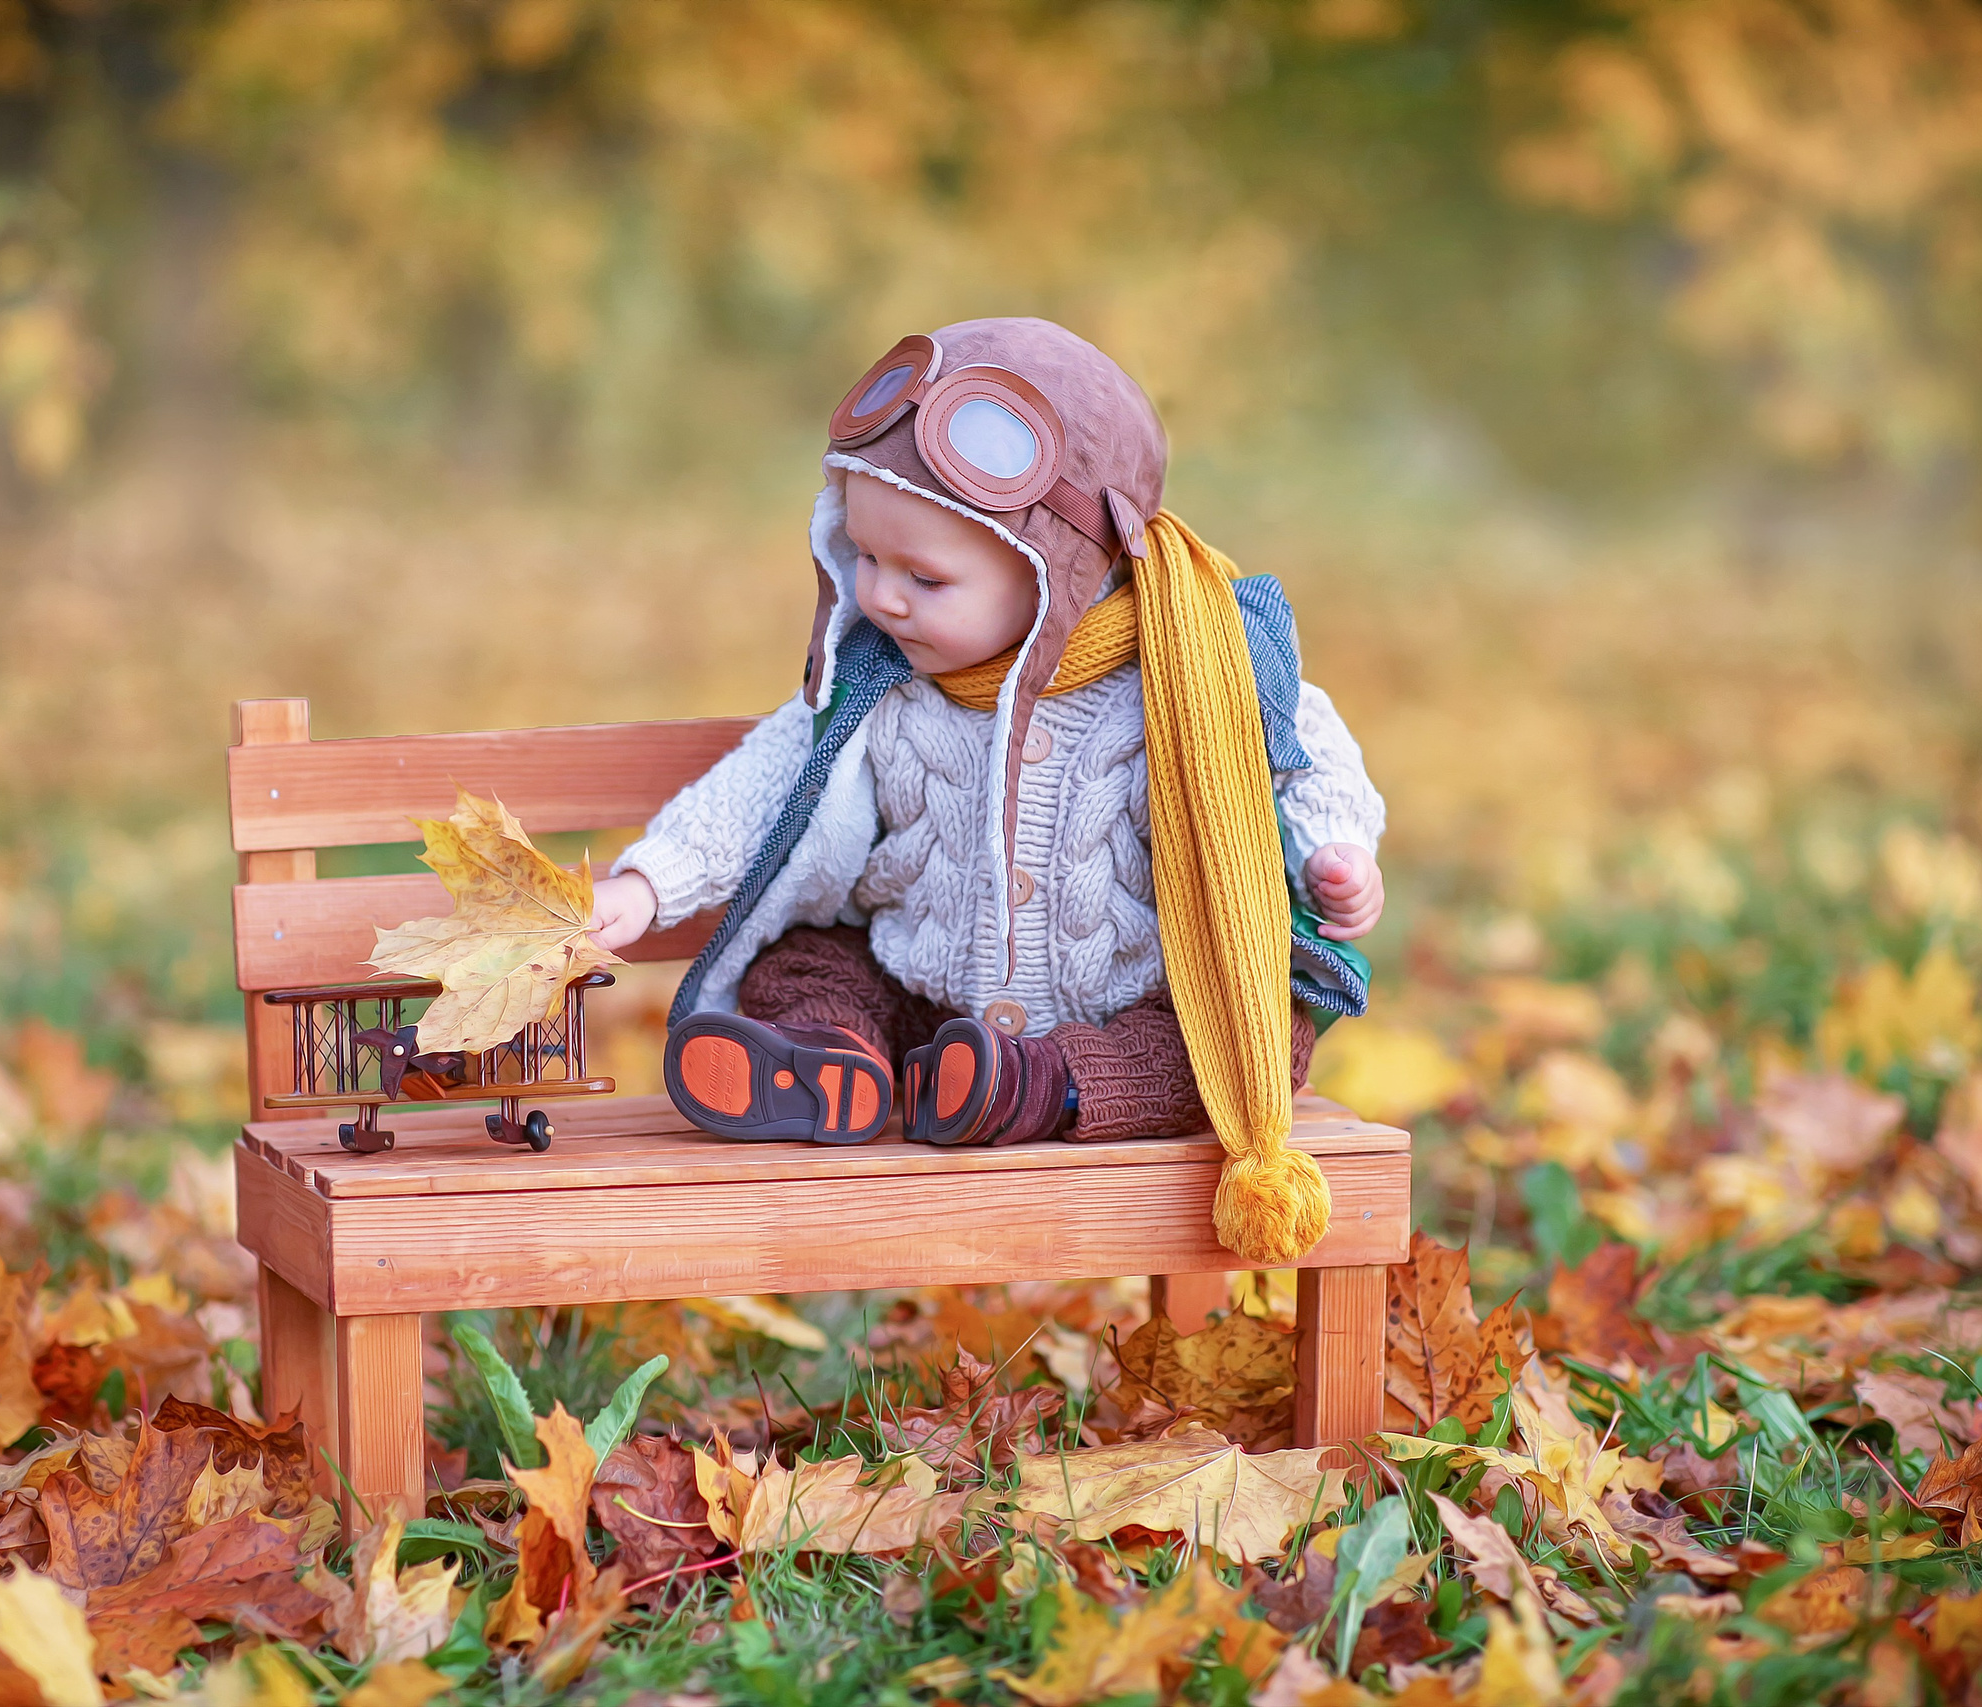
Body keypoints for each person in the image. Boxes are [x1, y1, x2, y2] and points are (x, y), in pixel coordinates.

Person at [587, 318, 1385, 1262]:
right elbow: (762, 785)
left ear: (1064, 577)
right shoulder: (878, 686)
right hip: (921, 991)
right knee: (807, 968)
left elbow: (1307, 751)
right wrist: (646, 886)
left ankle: (1035, 1089)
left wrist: (1337, 853)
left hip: (1138, 1002)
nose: (882, 598)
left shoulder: (1189, 669)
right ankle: (836, 1063)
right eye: (868, 559)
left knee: (1236, 1042)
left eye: (925, 576)